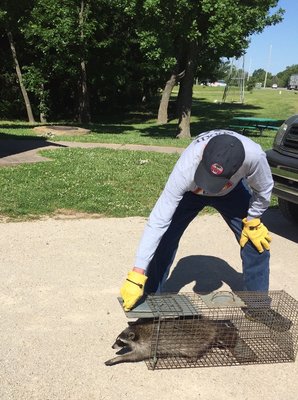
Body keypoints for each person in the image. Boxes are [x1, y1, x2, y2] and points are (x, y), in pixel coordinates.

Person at [120, 130, 273, 311]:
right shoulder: (187, 166)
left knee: (256, 244)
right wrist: (137, 273)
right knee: (163, 241)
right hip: (190, 193)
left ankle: (257, 307)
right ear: (203, 156)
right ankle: (152, 300)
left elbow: (264, 189)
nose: (209, 189)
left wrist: (253, 218)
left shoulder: (254, 156)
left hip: (232, 193)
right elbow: (158, 219)